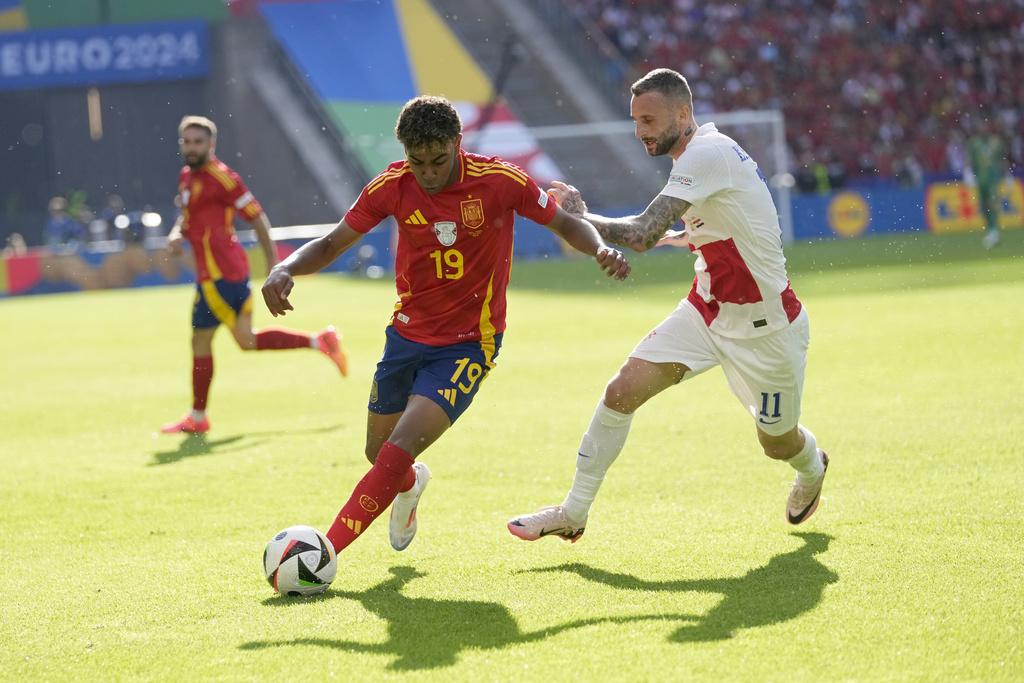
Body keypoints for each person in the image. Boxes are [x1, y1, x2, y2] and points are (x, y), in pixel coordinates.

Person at [261, 96, 630, 556]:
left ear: (457, 143)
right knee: (379, 455)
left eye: (438, 160)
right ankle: (410, 485)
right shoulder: (391, 185)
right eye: (417, 162)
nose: (428, 173)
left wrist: (599, 249)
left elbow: (565, 223)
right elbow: (333, 243)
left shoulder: (499, 180)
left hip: (469, 343)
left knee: (398, 448)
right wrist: (286, 268)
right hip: (406, 335)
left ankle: (323, 552)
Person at [508, 68, 829, 543]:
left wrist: (574, 218)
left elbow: (642, 233)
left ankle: (812, 466)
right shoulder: (700, 155)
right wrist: (678, 237)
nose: (640, 132)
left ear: (682, 114)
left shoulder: (707, 154)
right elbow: (701, 226)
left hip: (768, 327)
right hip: (706, 311)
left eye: (649, 120)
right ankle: (573, 512)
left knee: (778, 443)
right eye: (635, 121)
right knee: (621, 391)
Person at [161, 115, 348, 435]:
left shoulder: (224, 179)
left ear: (211, 144)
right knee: (246, 340)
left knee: (201, 340)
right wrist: (177, 233)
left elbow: (258, 218)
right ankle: (320, 341)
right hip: (220, 273)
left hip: (221, 275)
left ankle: (198, 417)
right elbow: (187, 215)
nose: (191, 148)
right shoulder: (186, 176)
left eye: (198, 142)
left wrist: (276, 266)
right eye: (186, 142)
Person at [967, 120, 1007, 249]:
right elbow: (971, 160)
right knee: (984, 206)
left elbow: (1003, 159)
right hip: (981, 180)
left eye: (985, 126)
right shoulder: (974, 143)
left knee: (992, 203)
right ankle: (990, 230)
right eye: (981, 126)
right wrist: (968, 174)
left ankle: (994, 230)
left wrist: (1007, 175)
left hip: (993, 179)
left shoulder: (996, 142)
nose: (983, 129)